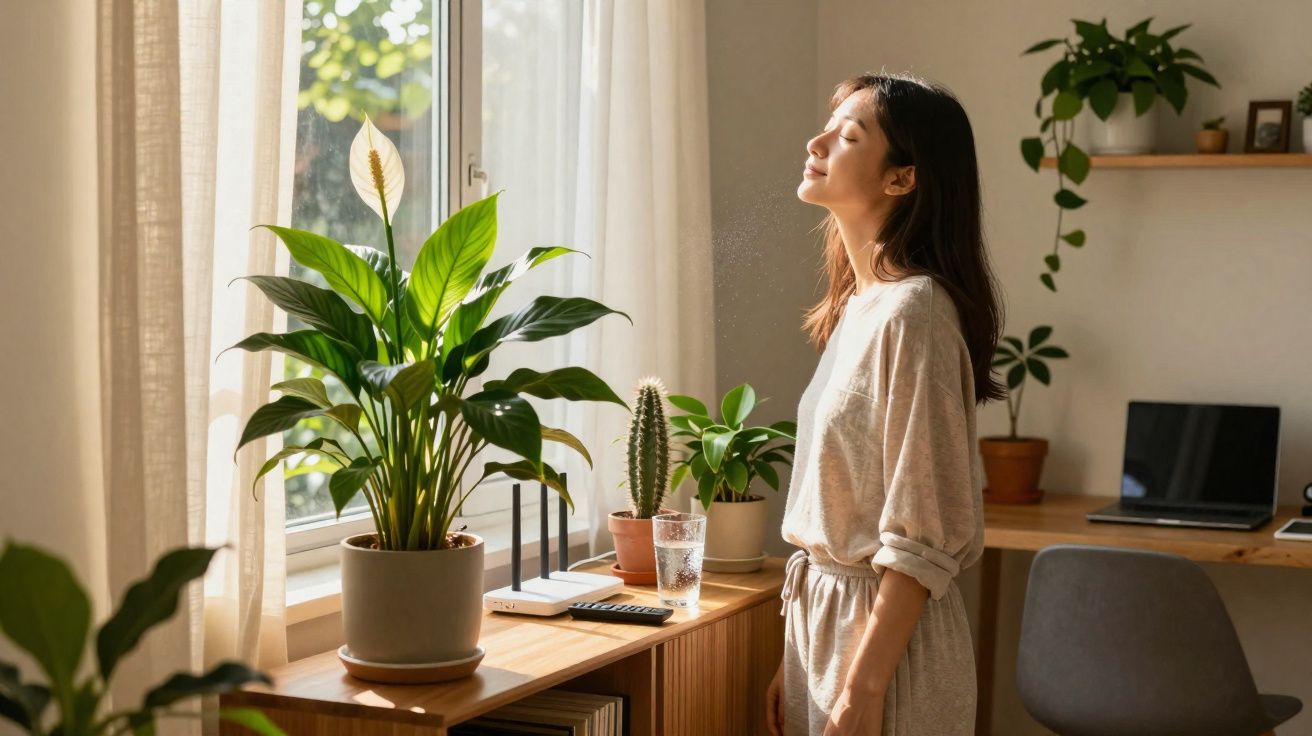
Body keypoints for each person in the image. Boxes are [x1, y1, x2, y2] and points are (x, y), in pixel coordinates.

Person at [765, 72, 1006, 736]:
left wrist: (861, 690)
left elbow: (920, 536)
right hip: (831, 633)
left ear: (902, 179)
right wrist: (797, 660)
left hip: (887, 658)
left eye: (846, 135)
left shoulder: (916, 315)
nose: (816, 141)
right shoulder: (860, 307)